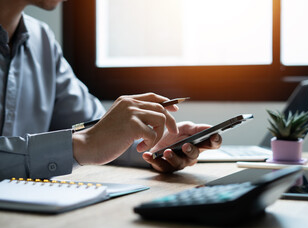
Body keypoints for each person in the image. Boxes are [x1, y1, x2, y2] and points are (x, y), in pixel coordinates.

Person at [0, 0, 222, 180]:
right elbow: (90, 139)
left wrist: (154, 143)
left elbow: (97, 129)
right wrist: (82, 145)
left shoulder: (42, 39)